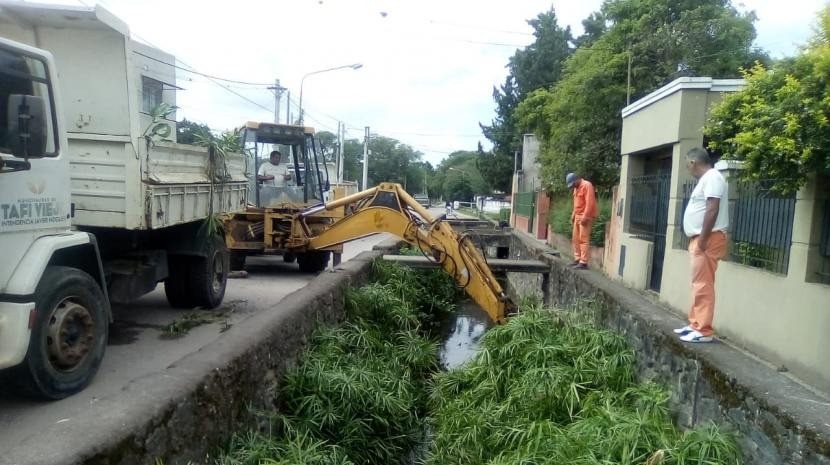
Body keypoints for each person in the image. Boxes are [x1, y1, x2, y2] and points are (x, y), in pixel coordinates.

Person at [674, 147, 729, 343]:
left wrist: (704, 239)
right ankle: (695, 324)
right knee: (698, 284)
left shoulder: (713, 177)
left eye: (687, 165)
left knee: (703, 284)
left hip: (708, 238)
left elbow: (712, 208)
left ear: (693, 163)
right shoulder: (707, 179)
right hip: (702, 238)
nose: (688, 169)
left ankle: (704, 330)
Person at [567, 172, 597, 270]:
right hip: (577, 216)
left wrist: (585, 217)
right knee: (575, 238)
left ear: (577, 179)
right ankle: (577, 259)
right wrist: (573, 215)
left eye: (573, 184)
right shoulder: (576, 188)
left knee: (583, 239)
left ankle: (583, 262)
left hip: (585, 216)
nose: (573, 187)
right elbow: (576, 203)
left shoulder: (587, 185)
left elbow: (590, 203)